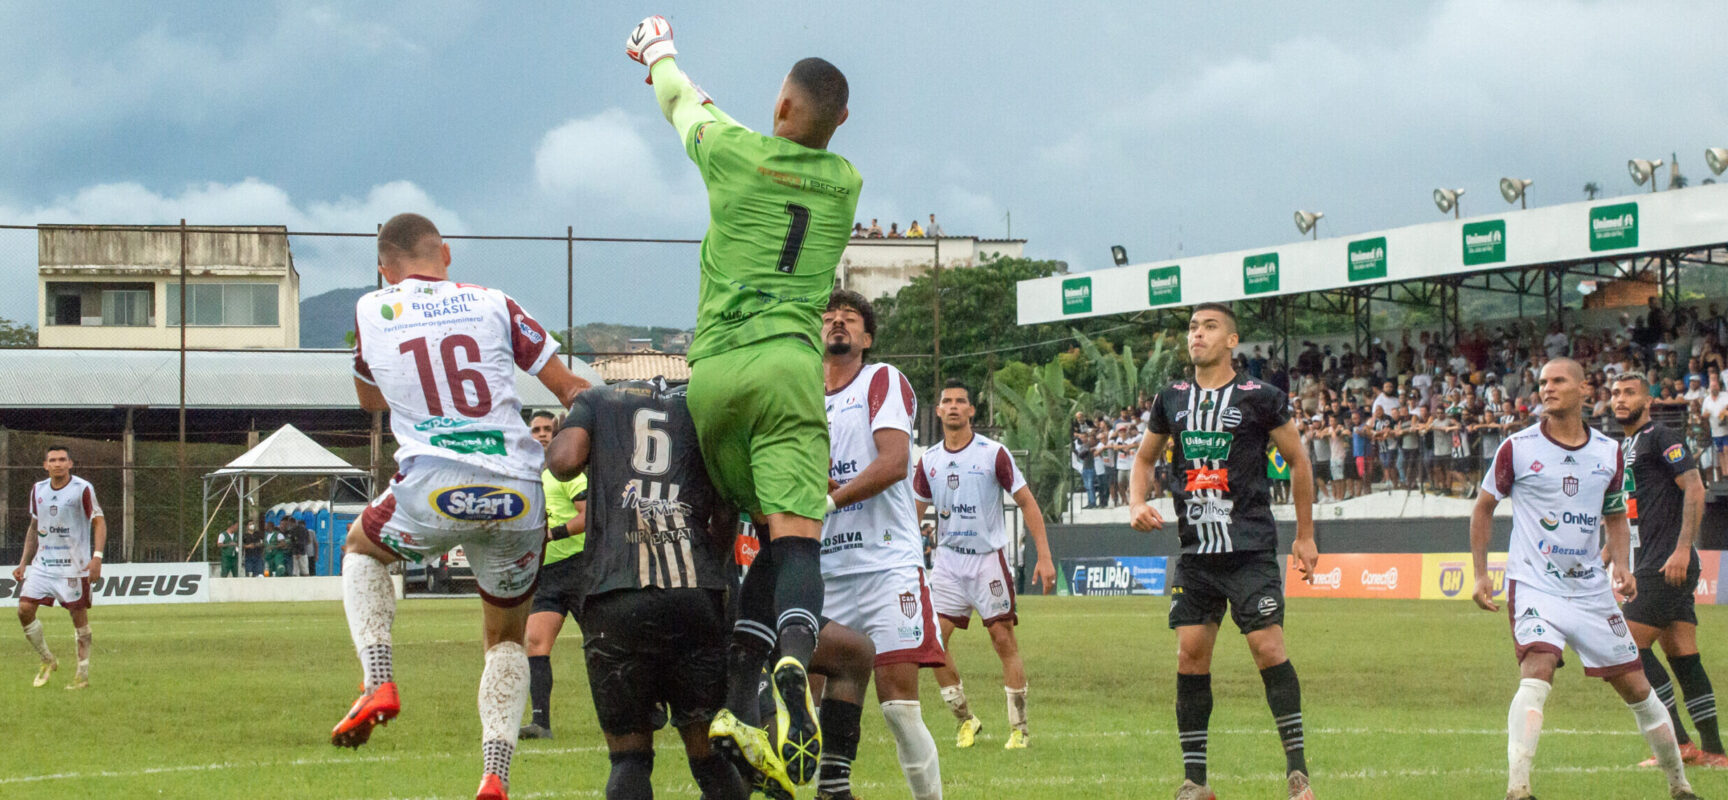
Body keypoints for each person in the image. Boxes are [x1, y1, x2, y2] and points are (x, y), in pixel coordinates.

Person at [627, 17, 861, 786]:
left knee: (747, 534)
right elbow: (763, 130)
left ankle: (733, 699)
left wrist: (660, 54)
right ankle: (791, 662)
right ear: (840, 121)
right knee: (794, 543)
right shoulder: (845, 184)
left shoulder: (732, 153)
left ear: (781, 107)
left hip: (713, 375)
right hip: (786, 369)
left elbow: (682, 105)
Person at [333, 213, 588, 800]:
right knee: (506, 639)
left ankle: (378, 681)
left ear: (384, 270)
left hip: (434, 483)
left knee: (361, 550)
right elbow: (571, 389)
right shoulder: (495, 302)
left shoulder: (372, 309)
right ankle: (495, 774)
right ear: (445, 253)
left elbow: (369, 399)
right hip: (517, 490)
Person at [1471, 359, 1699, 800]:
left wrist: (1622, 564)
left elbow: (1615, 514)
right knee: (1537, 670)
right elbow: (1483, 507)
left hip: (1591, 591)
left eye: (1558, 381)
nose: (1547, 388)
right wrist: (1481, 573)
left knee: (1637, 687)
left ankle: (1680, 786)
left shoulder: (1609, 452)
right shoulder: (1517, 447)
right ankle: (1518, 789)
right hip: (1535, 584)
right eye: (1543, 382)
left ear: (1583, 390)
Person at [1128, 303, 1319, 800]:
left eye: (1209, 327)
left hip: (1250, 548)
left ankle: (1297, 774)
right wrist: (1137, 502)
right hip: (1195, 554)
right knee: (1190, 655)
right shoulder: (1171, 398)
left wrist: (1305, 535)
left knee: (1267, 648)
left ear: (1232, 341)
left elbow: (1298, 461)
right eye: (1193, 327)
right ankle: (1196, 781)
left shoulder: (1262, 397)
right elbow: (1144, 459)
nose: (1198, 334)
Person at [542, 378, 748, 800]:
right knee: (709, 756)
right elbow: (727, 506)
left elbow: (563, 462)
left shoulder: (596, 399)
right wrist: (712, 564)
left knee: (629, 758)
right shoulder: (702, 401)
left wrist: (563, 431)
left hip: (615, 593)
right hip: (694, 592)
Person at [809, 289, 945, 799]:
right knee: (807, 705)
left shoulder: (881, 379)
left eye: (850, 318)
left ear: (866, 338)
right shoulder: (803, 393)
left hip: (887, 566)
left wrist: (830, 498)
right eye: (829, 317)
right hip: (825, 569)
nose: (837, 323)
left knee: (898, 707)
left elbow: (893, 462)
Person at [914, 379, 1057, 750]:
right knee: (933, 642)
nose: (954, 406)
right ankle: (966, 719)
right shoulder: (929, 460)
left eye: (961, 401)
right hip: (947, 561)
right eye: (947, 401)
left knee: (1002, 639)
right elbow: (913, 514)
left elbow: (1027, 502)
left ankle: (1019, 729)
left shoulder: (993, 453)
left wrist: (1044, 556)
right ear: (939, 410)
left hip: (987, 561)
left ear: (971, 410)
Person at [1610, 373, 1728, 768]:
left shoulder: (1661, 437)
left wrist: (1682, 550)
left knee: (1627, 645)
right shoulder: (1623, 448)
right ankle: (1713, 750)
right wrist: (1608, 556)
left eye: (1630, 393)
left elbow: (1694, 488)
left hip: (1666, 563)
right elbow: (1627, 511)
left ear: (1648, 401)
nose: (1620, 399)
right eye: (1615, 393)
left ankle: (1677, 742)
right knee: (1682, 654)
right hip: (1647, 561)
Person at [518, 410, 589, 741]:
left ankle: (650, 706)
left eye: (548, 429)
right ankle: (541, 723)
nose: (542, 434)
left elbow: (588, 515)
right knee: (535, 642)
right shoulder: (526, 477)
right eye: (536, 429)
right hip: (546, 573)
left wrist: (552, 534)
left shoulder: (566, 471)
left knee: (608, 643)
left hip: (580, 567)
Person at [14, 445, 105, 690]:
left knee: (79, 620)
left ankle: (81, 676)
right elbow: (34, 528)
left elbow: (99, 522)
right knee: (24, 610)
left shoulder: (82, 488)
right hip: (43, 565)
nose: (57, 464)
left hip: (73, 567)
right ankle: (47, 658)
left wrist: (96, 557)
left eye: (62, 460)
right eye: (53, 460)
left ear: (70, 464)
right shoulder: (38, 490)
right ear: (46, 465)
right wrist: (23, 562)